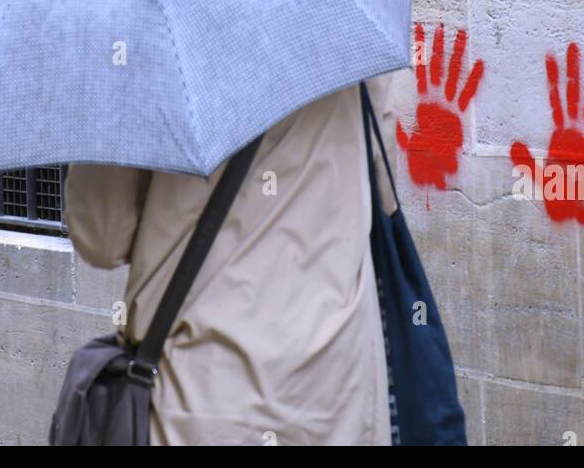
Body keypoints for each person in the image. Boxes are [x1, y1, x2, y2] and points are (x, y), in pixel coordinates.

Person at [65, 74, 401, 446]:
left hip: (202, 387)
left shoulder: (143, 36)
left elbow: (102, 238)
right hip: (338, 381)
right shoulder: (350, 28)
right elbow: (384, 192)